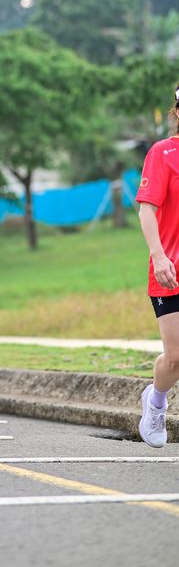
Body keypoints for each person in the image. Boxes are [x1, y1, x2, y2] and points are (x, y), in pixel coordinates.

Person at [136, 84, 179, 447]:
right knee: (176, 357)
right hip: (171, 270)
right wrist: (158, 255)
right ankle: (156, 401)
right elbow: (147, 209)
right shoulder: (163, 153)